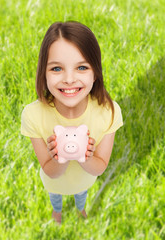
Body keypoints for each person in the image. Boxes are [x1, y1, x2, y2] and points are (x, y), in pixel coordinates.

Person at [21, 21, 123, 224]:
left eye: (82, 67)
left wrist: (83, 155)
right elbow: (50, 171)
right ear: (44, 73)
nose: (69, 79)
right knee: (55, 197)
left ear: (95, 73)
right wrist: (61, 156)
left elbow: (100, 167)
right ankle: (57, 213)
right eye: (57, 68)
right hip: (53, 182)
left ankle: (81, 209)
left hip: (85, 180)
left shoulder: (109, 112)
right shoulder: (33, 114)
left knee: (81, 195)